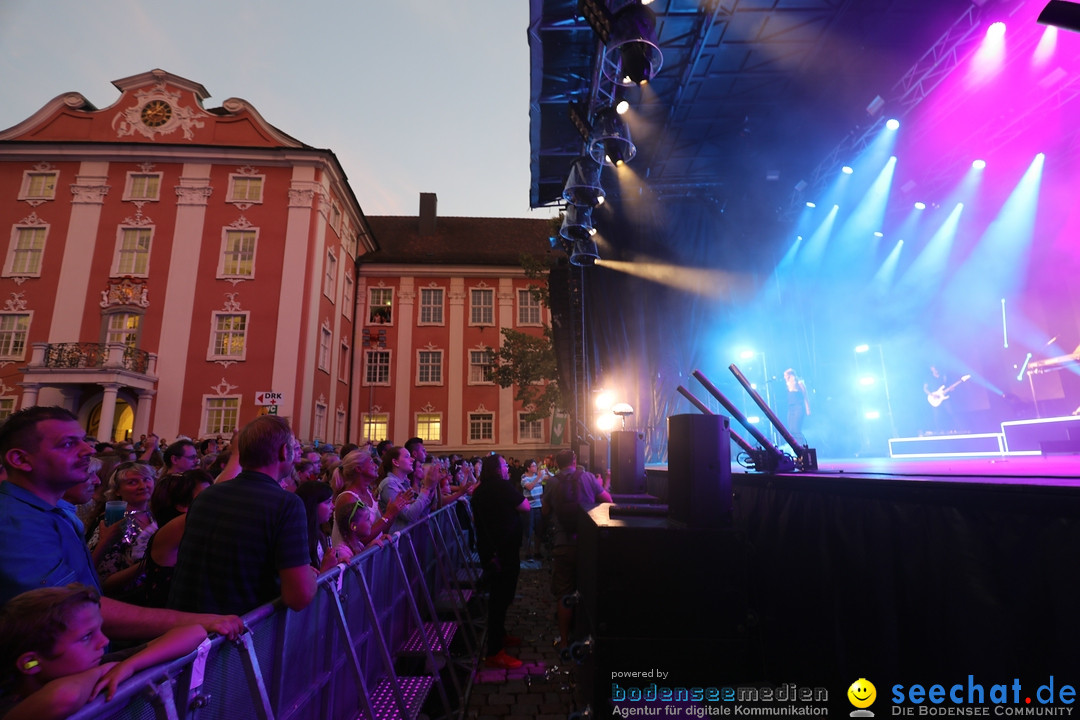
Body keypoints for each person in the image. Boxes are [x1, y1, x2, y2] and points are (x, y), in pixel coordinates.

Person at [0, 406, 242, 641]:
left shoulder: (52, 512)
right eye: (68, 443)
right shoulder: (14, 523)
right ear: (20, 459)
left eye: (83, 440)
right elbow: (70, 610)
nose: (87, 450)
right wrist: (193, 621)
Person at [168, 415, 316, 615]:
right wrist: (311, 576)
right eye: (294, 447)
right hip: (242, 635)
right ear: (283, 451)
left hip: (193, 634)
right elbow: (299, 597)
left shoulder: (206, 496)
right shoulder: (286, 505)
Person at [0, 584, 207, 720]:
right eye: (86, 636)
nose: (104, 641)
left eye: (101, 629)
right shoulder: (11, 706)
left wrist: (129, 665)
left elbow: (194, 633)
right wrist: (102, 672)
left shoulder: (103, 665)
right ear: (30, 663)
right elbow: (63, 698)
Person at [543, 449, 611, 650]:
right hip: (587, 544)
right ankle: (586, 637)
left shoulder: (553, 482)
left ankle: (564, 640)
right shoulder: (589, 478)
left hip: (562, 543)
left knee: (564, 592)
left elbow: (545, 511)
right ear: (575, 461)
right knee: (588, 590)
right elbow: (607, 500)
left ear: (557, 463)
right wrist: (605, 483)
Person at [471, 454, 530, 670]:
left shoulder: (480, 490)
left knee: (499, 597)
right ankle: (495, 651)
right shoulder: (502, 487)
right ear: (497, 469)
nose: (507, 468)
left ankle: (500, 635)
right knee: (500, 599)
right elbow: (525, 507)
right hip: (502, 551)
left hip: (490, 550)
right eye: (505, 465)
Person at [295, 480, 353, 572]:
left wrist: (336, 564)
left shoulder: (321, 532)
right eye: (328, 502)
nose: (333, 506)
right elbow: (307, 583)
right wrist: (326, 567)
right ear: (312, 505)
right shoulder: (299, 540)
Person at [376, 446, 436, 531]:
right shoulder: (389, 484)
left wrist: (432, 485)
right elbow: (409, 515)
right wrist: (426, 489)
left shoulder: (404, 483)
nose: (412, 459)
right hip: (397, 539)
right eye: (407, 457)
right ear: (395, 462)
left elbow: (421, 511)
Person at [520, 459, 544, 559]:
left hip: (539, 506)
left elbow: (552, 478)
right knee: (528, 531)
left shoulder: (536, 476)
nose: (535, 468)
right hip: (529, 507)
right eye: (533, 466)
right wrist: (538, 478)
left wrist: (547, 473)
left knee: (539, 530)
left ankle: (537, 551)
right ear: (528, 468)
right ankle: (528, 552)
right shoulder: (524, 477)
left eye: (535, 466)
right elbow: (529, 487)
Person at [783, 368, 810, 448]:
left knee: (796, 429)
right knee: (791, 430)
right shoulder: (788, 385)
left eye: (786, 375)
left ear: (791, 375)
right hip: (791, 408)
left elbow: (805, 397)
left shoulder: (799, 384)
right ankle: (795, 447)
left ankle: (802, 447)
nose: (785, 377)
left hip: (798, 408)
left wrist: (808, 409)